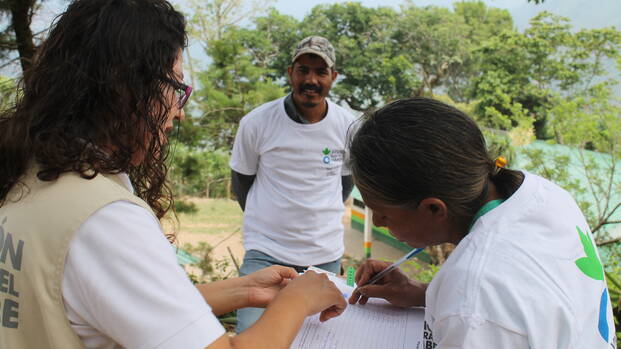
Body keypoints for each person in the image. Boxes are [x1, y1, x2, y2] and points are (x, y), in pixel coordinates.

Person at [0, 1, 347, 349]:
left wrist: (244, 289)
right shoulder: (105, 219)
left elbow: (116, 303)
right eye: (176, 88)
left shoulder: (31, 179)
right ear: (128, 88)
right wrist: (297, 300)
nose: (178, 114)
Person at [347, 98, 617, 348]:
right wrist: (421, 293)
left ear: (433, 208)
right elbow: (528, 304)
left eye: (382, 213)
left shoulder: (475, 302)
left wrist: (461, 303)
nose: (379, 223)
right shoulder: (544, 194)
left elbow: (483, 307)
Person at [230, 36, 356, 331]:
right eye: (303, 70)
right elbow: (242, 183)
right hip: (265, 253)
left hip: (324, 257)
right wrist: (270, 220)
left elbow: (345, 184)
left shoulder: (349, 126)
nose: (311, 80)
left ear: (333, 78)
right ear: (291, 73)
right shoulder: (257, 122)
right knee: (252, 335)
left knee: (318, 338)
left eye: (320, 72)